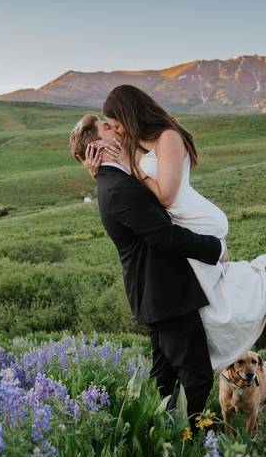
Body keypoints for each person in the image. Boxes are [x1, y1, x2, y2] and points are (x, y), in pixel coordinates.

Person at [69, 114, 225, 431]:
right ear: (100, 144)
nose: (118, 128)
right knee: (196, 377)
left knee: (166, 378)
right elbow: (165, 237)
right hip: (165, 294)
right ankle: (188, 444)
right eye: (109, 128)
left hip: (158, 294)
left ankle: (161, 436)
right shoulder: (117, 189)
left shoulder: (116, 181)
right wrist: (216, 249)